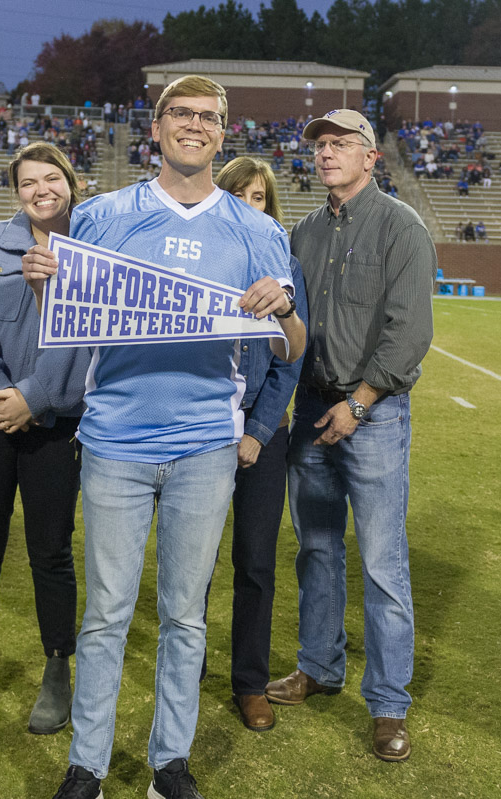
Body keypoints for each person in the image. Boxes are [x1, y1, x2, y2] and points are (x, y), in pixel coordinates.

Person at [23, 75, 305, 799]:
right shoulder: (104, 215)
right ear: (156, 126)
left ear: (222, 131)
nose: (194, 125)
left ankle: (168, 761)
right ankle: (86, 763)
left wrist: (283, 311)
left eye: (208, 117)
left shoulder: (258, 229)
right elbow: (65, 310)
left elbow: (294, 346)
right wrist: (40, 281)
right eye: (180, 113)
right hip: (115, 437)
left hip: (207, 441)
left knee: (184, 613)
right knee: (107, 612)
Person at [265, 109, 435, 764]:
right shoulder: (302, 232)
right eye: (320, 145)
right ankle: (319, 665)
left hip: (375, 414)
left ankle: (388, 702)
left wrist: (359, 404)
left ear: (371, 157)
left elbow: (409, 332)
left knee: (382, 561)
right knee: (315, 548)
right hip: (311, 408)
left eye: (340, 144)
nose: (327, 153)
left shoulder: (402, 227)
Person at [0, 142, 91, 737]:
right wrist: (2, 395)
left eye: (51, 177)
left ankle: (58, 673)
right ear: (17, 192)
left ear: (70, 183)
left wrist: (39, 397)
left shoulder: (94, 248)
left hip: (56, 422)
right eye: (28, 182)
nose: (40, 190)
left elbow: (90, 339)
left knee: (51, 550)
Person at [205, 157, 308, 732]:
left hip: (260, 434)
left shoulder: (285, 266)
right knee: (191, 558)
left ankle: (249, 681)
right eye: (239, 194)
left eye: (260, 196)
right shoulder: (205, 258)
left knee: (256, 559)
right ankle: (186, 659)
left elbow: (291, 359)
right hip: (201, 426)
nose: (250, 204)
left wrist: (258, 433)